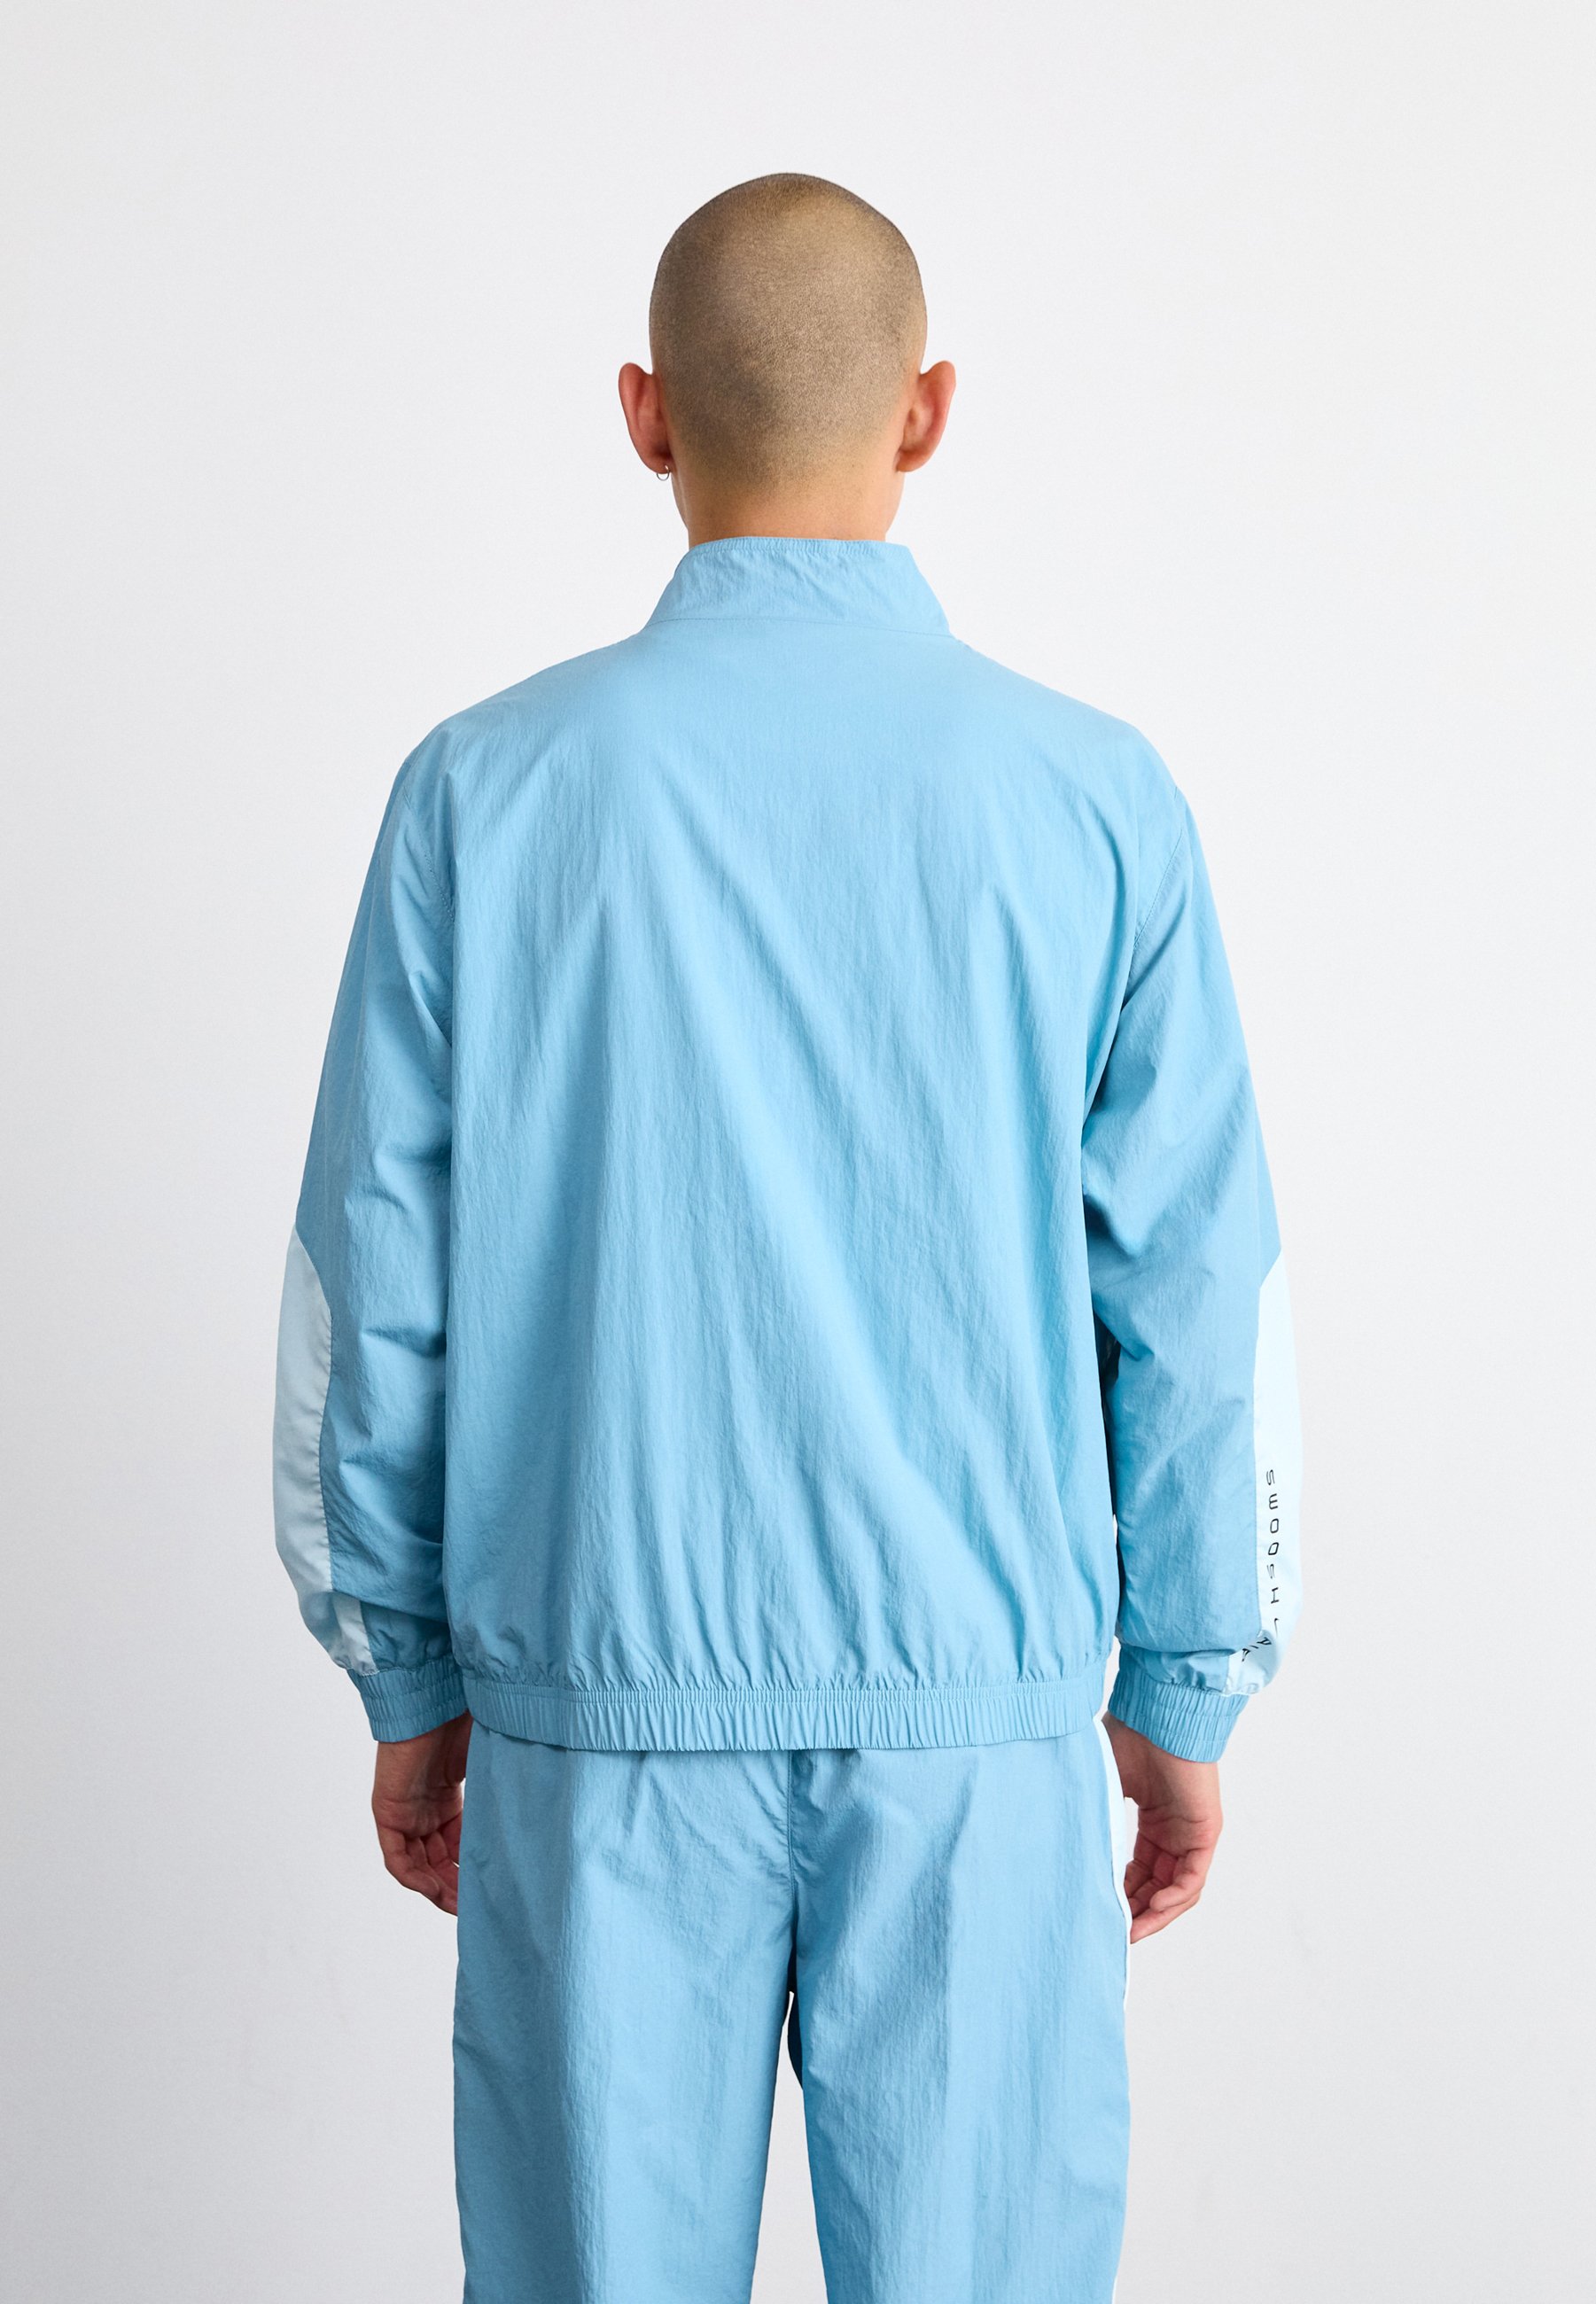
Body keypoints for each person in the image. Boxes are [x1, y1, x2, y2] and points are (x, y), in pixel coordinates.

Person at [272, 172, 1302, 2304]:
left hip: (593, 1711)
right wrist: (1186, 1683)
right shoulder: (1092, 798)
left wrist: (407, 1665)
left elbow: (377, 1274)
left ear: (644, 413)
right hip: (978, 1733)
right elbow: (1194, 1292)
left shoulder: (482, 792)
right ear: (926, 411)